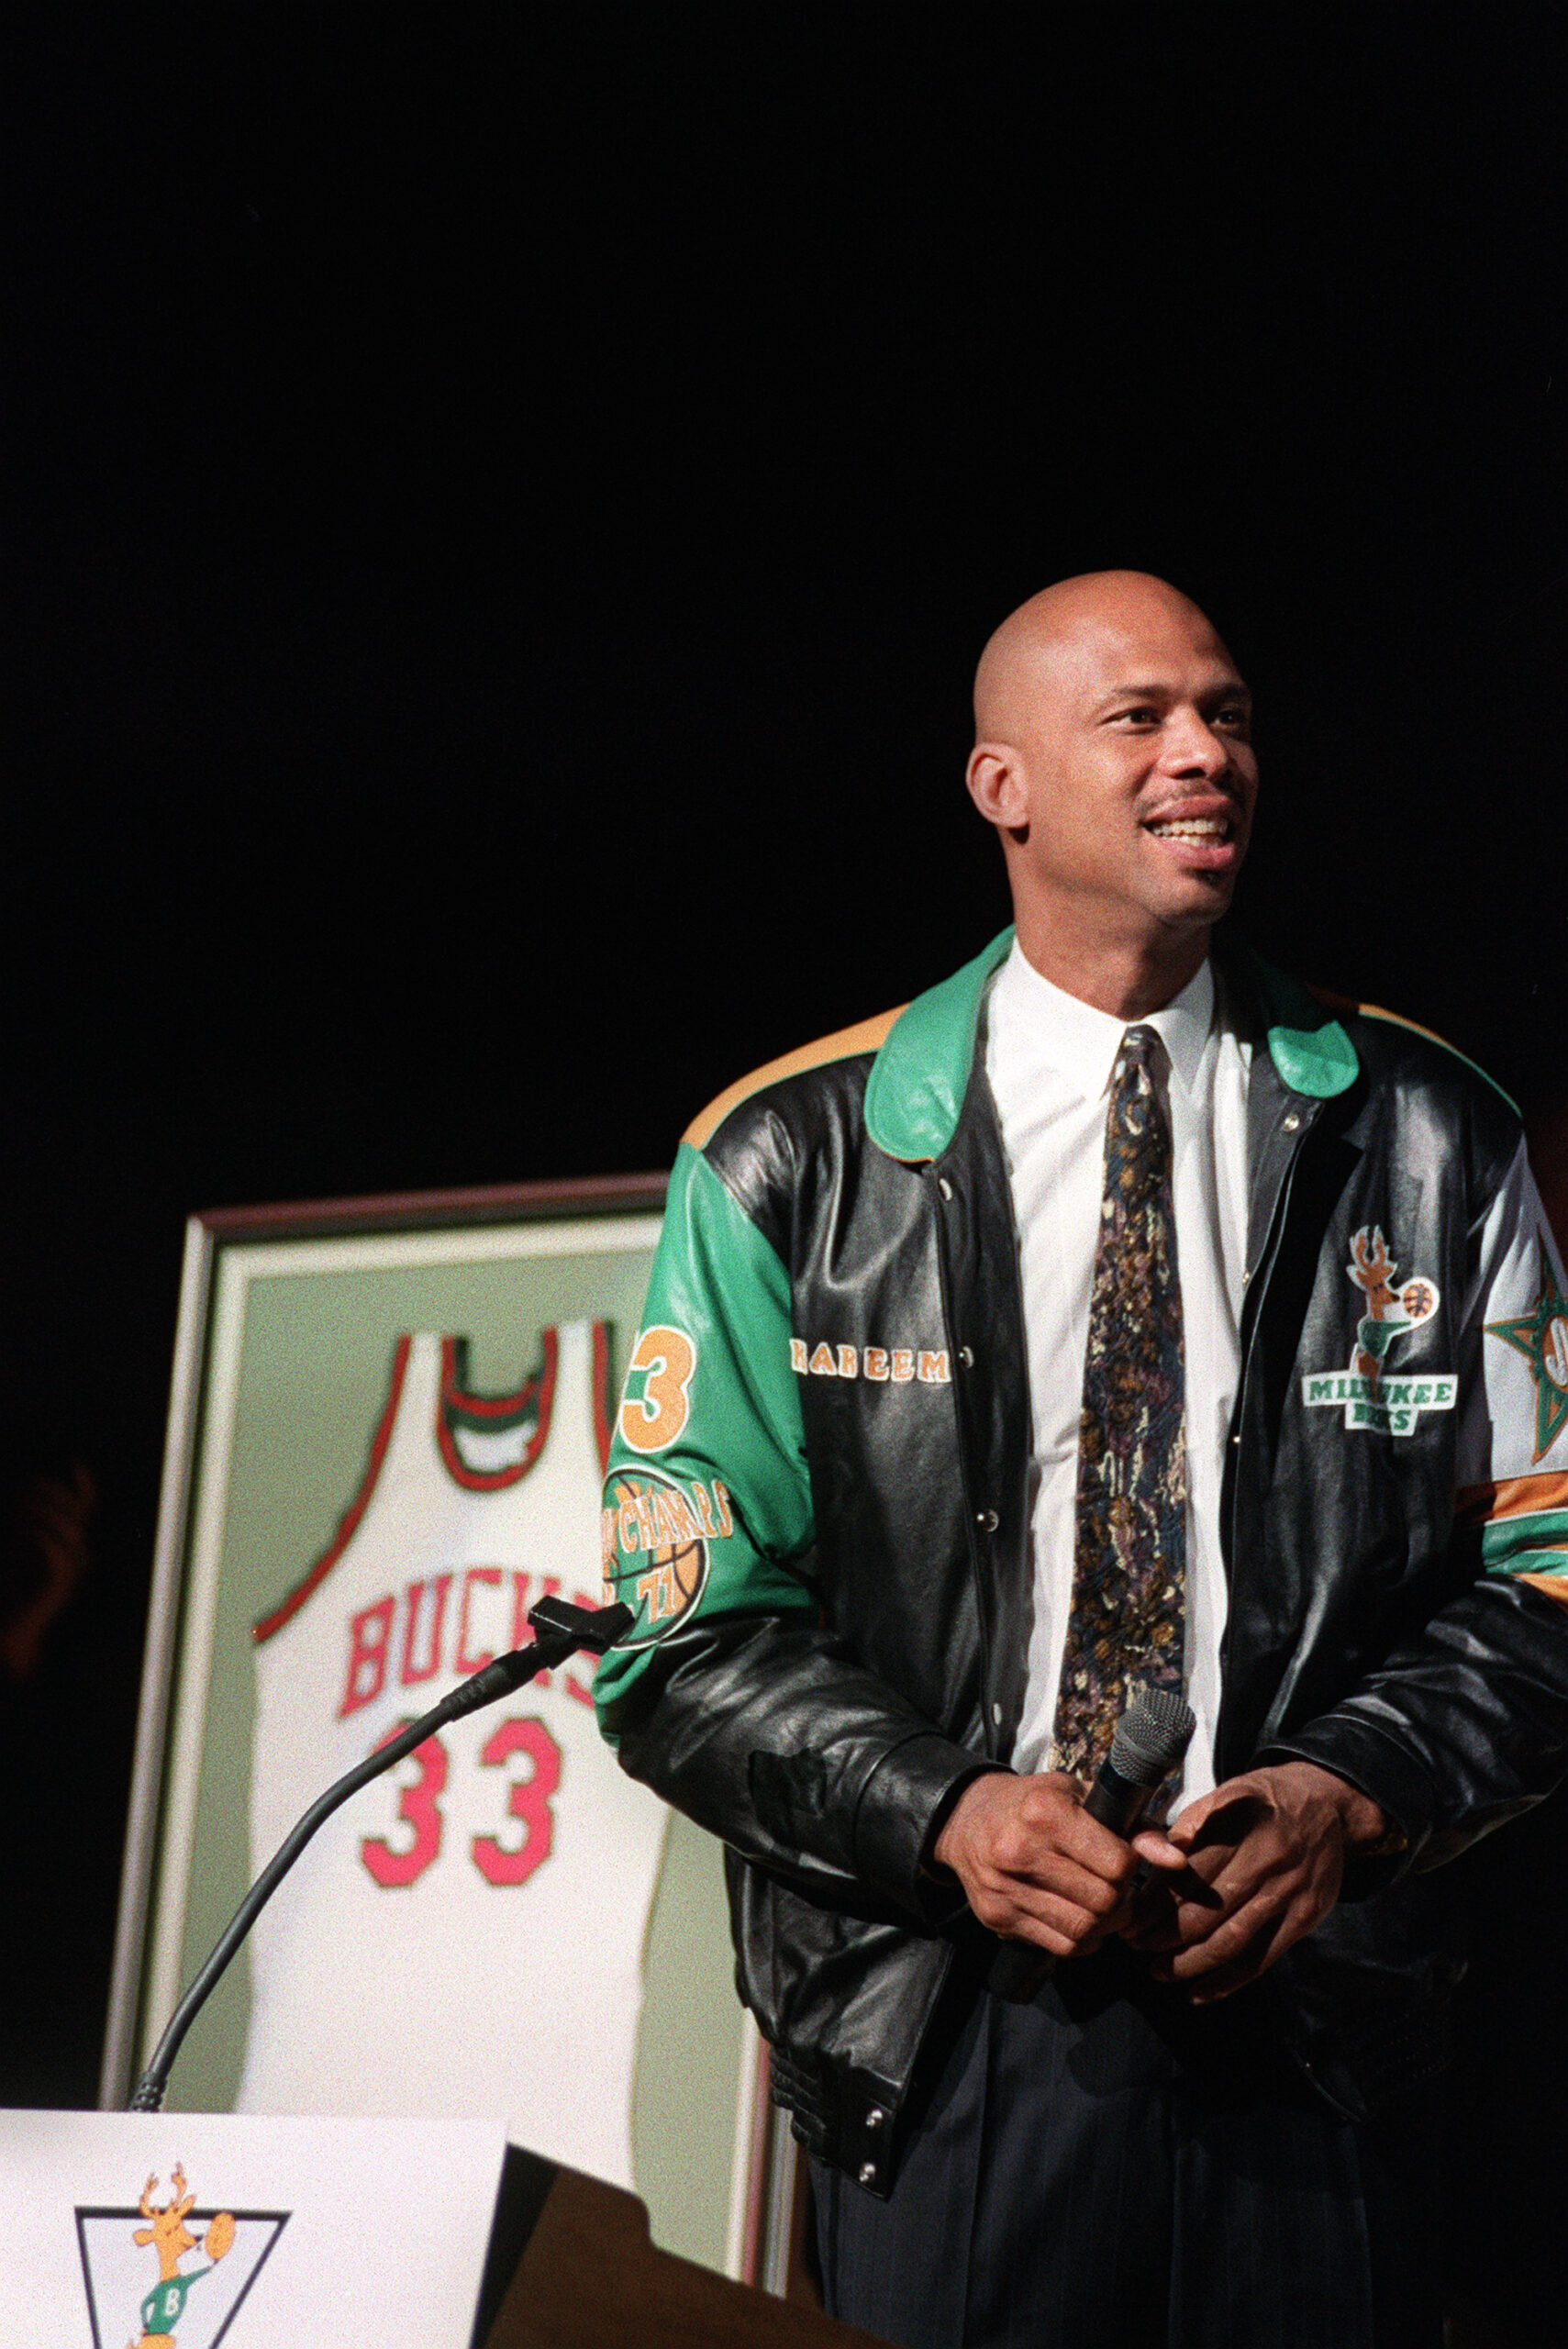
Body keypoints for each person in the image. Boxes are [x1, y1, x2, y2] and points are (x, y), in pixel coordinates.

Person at [593, 573, 1568, 2347]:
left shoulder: (1433, 1130)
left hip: (1321, 2022)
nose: (1206, 754)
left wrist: (1348, 1791)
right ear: (1001, 787)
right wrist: (944, 1811)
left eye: (1231, 715)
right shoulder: (787, 1156)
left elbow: (1551, 1574)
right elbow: (678, 1636)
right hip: (949, 2033)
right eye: (1142, 718)